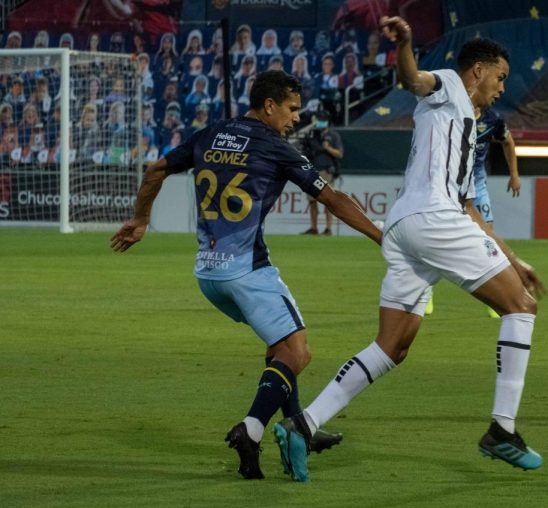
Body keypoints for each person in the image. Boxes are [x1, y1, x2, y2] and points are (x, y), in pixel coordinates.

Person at [272, 16, 547, 483]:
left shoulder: (466, 126)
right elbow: (411, 78)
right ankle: (502, 429)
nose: (503, 88)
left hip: (407, 227)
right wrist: (405, 43)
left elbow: (469, 209)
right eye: (500, 77)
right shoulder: (450, 88)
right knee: (521, 307)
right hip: (432, 220)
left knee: (392, 347)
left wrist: (513, 259)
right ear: (477, 71)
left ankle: (303, 424)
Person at [110, 70, 384, 480]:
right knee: (298, 352)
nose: (296, 118)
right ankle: (252, 429)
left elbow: (154, 171)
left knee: (279, 350)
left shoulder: (210, 134)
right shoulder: (275, 146)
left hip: (208, 274)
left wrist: (140, 219)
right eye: (292, 110)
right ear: (269, 106)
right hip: (246, 270)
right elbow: (333, 198)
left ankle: (298, 429)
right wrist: (382, 237)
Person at [429, 105, 521, 318]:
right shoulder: (453, 114)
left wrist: (514, 174)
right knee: (440, 237)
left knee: (488, 237)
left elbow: (507, 142)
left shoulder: (493, 119)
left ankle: (494, 298)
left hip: (477, 185)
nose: (497, 92)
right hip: (450, 185)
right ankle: (426, 290)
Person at [300, 109, 343, 235]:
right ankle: (314, 228)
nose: (320, 122)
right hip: (312, 171)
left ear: (327, 121)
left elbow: (340, 154)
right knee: (312, 201)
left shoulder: (334, 136)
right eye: (318, 119)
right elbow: (304, 151)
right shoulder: (311, 135)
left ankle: (328, 228)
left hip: (326, 171)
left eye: (322, 120)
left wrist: (328, 148)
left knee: (328, 201)